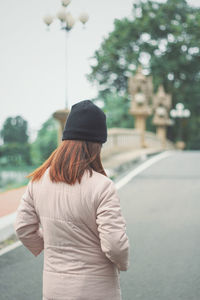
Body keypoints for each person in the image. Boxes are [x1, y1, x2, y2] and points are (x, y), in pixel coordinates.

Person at [14, 100, 130, 300]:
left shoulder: (38, 180)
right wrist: (122, 263)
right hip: (96, 289)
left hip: (54, 289)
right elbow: (114, 245)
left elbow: (23, 228)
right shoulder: (102, 185)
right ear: (96, 145)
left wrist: (51, 246)